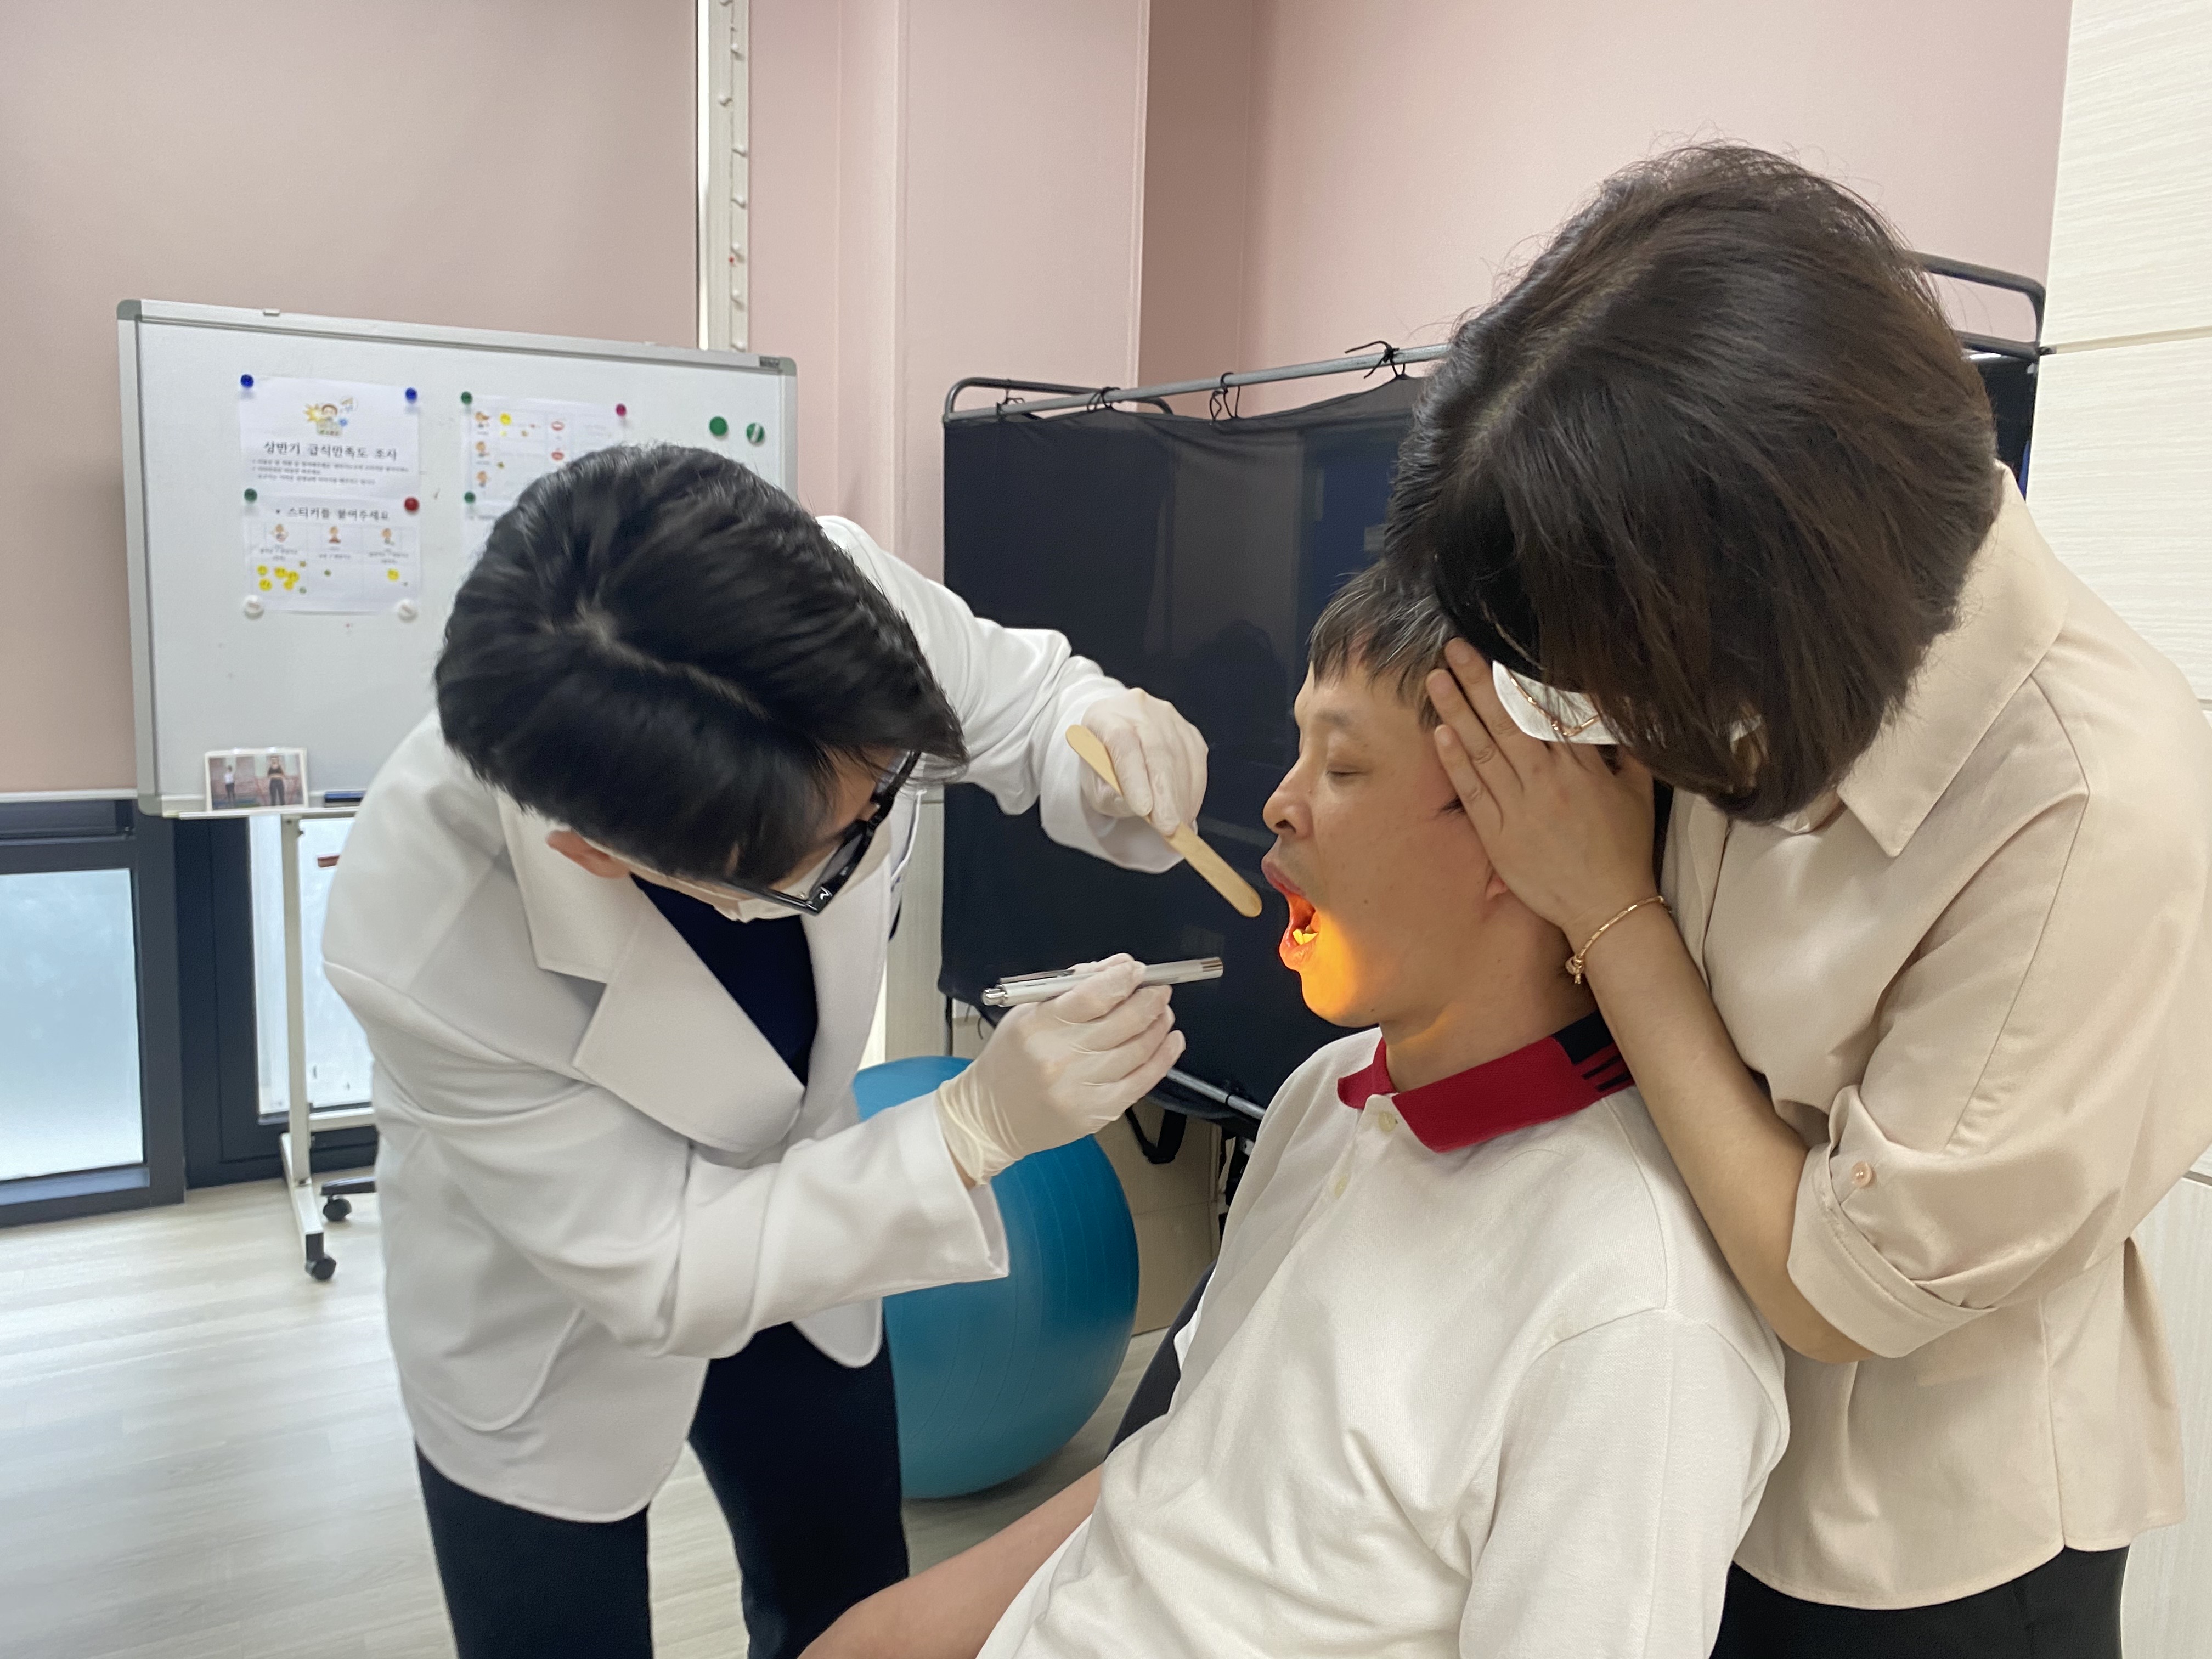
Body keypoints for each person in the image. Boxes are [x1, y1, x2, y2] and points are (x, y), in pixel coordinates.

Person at [1389, 145, 2212, 1655]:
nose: (1591, 723)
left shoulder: (2097, 811)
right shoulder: (1751, 629)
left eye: (1609, 678)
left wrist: (1611, 916)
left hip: (1906, 1542)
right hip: (1698, 1433)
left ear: (1759, 614)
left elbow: (1845, 1293)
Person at [323, 444, 1212, 1659]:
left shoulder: (816, 606)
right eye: (831, 852)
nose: (876, 833)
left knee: (846, 1604)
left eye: (889, 788)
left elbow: (1021, 702)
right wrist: (972, 1130)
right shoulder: (419, 933)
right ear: (600, 853)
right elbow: (664, 1268)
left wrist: (1099, 737)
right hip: (554, 1306)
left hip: (819, 1239)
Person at [804, 564, 1786, 1659]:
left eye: (1345, 766)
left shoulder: (1632, 1310)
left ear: (1528, 830)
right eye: (1300, 750)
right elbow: (1176, 1473)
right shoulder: (1331, 1094)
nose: (1279, 803)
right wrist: (884, 1634)